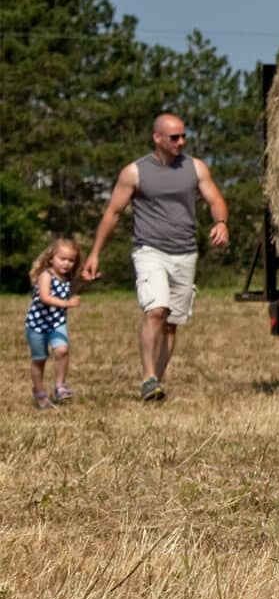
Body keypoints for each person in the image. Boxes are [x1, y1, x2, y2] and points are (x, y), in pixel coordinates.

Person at [82, 113, 230, 403]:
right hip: (150, 250)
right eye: (174, 137)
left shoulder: (195, 167)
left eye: (183, 136)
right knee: (156, 310)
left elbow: (215, 200)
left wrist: (222, 222)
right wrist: (95, 253)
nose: (181, 142)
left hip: (185, 253)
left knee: (171, 323)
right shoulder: (134, 172)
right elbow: (112, 214)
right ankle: (148, 377)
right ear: (157, 138)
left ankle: (156, 385)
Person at [26, 236, 80, 409]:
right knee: (39, 359)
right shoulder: (45, 275)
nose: (67, 263)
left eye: (71, 260)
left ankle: (60, 385)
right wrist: (67, 303)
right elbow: (45, 297)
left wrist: (90, 278)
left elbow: (79, 285)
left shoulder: (67, 278)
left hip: (57, 322)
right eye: (62, 259)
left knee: (62, 351)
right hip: (37, 325)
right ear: (51, 258)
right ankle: (40, 392)